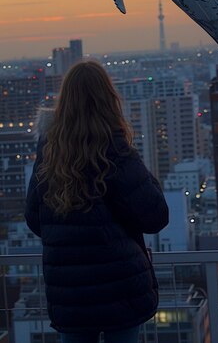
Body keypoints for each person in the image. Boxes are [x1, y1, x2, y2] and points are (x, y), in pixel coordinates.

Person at [25, 60, 169, 343]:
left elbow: (35, 219)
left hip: (69, 293)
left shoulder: (50, 151)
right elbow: (155, 216)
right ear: (108, 98)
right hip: (120, 289)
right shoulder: (114, 148)